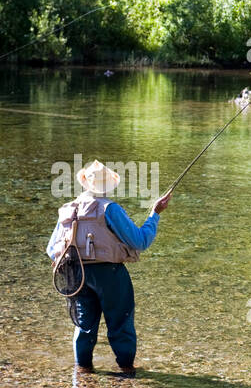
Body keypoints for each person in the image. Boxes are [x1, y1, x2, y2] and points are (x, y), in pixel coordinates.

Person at [46, 159, 171, 376]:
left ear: (85, 183)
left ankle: (83, 372)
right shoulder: (110, 209)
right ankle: (126, 371)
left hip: (76, 275)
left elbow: (51, 250)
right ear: (108, 186)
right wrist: (155, 214)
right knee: (120, 322)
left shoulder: (67, 210)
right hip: (109, 274)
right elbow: (141, 241)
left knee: (84, 324)